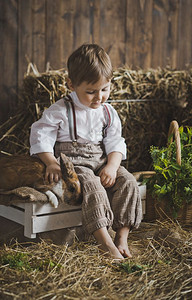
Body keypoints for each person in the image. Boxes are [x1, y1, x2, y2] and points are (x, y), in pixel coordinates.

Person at [30, 43, 142, 260]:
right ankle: (104, 242)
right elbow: (40, 135)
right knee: (93, 185)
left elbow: (115, 142)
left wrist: (111, 166)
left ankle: (122, 236)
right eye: (90, 92)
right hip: (74, 163)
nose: (99, 97)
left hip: (100, 161)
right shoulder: (61, 110)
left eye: (105, 89)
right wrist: (51, 162)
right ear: (71, 84)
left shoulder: (108, 113)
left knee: (128, 182)